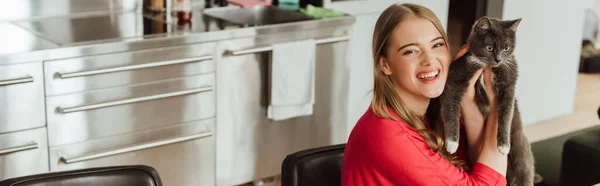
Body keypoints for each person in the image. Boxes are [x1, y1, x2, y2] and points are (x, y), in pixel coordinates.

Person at [341, 3, 507, 186]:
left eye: (436, 45)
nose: (429, 60)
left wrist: (465, 96)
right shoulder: (387, 133)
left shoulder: (435, 112)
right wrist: (500, 104)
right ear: (385, 64)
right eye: (410, 51)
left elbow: (478, 165)